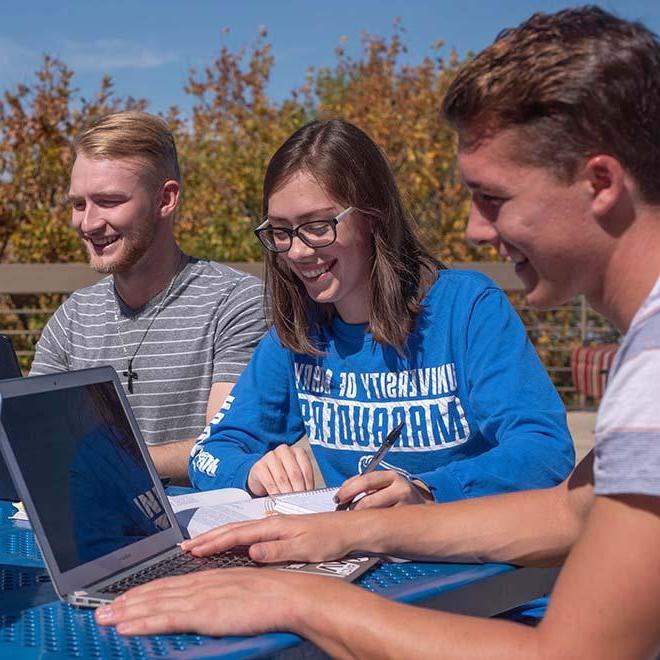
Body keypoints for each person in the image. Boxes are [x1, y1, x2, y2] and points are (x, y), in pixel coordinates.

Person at [96, 7, 660, 657]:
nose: (476, 230)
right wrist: (346, 536)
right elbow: (567, 510)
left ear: (601, 184)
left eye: (493, 199)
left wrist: (304, 597)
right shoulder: (641, 354)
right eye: (281, 232)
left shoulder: (628, 361)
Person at [188, 118, 574, 507]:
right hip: (356, 551)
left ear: (373, 217)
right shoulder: (297, 333)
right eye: (280, 230)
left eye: (318, 226)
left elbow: (545, 452)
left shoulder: (467, 308)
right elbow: (208, 454)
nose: (297, 251)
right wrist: (251, 472)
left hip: (462, 551)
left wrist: (427, 492)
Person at [30, 111, 267, 482]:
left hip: (200, 529)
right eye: (79, 204)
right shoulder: (72, 318)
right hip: (92, 526)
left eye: (109, 201)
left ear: (165, 199)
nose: (88, 223)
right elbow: (36, 438)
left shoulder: (237, 303)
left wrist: (110, 465)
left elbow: (227, 445)